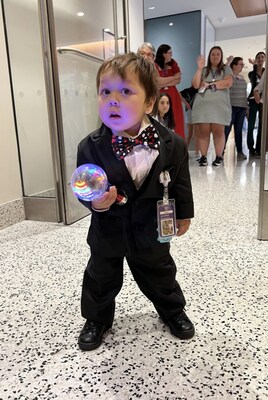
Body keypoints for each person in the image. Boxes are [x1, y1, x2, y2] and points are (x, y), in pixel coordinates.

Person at [75, 53, 195, 351]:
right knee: (100, 276)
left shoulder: (172, 143)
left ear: (150, 102)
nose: (113, 100)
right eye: (105, 92)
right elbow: (84, 187)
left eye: (126, 91)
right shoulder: (90, 147)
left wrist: (184, 214)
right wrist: (96, 204)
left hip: (151, 227)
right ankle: (97, 319)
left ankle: (172, 310)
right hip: (108, 228)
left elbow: (180, 183)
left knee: (161, 272)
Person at [191, 46, 233, 166]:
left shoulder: (226, 69)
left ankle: (219, 157)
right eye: (213, 54)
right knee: (203, 132)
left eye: (218, 54)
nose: (215, 56)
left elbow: (228, 83)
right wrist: (199, 69)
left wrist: (210, 85)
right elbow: (195, 85)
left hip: (220, 107)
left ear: (221, 56)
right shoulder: (204, 70)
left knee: (219, 132)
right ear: (209, 56)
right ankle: (203, 157)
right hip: (203, 106)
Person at [154, 44, 185, 138]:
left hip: (173, 96)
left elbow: (178, 79)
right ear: (163, 54)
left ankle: (178, 144)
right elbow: (158, 82)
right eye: (169, 53)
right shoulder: (154, 65)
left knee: (177, 119)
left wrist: (164, 82)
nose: (171, 55)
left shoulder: (173, 63)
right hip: (161, 96)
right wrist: (173, 78)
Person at [224, 57, 248, 160]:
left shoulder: (242, 78)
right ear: (234, 65)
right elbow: (223, 71)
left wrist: (247, 107)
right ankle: (220, 152)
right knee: (227, 130)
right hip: (231, 107)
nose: (242, 66)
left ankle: (240, 152)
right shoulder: (229, 77)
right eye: (240, 64)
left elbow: (244, 93)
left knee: (239, 131)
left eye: (243, 64)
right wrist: (228, 62)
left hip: (242, 107)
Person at [247, 51, 266, 156]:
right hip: (253, 100)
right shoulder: (251, 73)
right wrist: (254, 66)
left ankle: (259, 148)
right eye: (258, 57)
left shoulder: (266, 72)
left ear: (264, 59)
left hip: (263, 101)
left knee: (262, 125)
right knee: (251, 124)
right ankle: (251, 148)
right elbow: (254, 82)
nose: (260, 59)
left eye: (262, 57)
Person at [180, 86, 199, 159]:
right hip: (189, 112)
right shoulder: (188, 90)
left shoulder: (200, 90)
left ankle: (197, 152)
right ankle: (185, 151)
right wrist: (185, 103)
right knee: (191, 133)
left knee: (196, 133)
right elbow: (178, 94)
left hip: (197, 112)